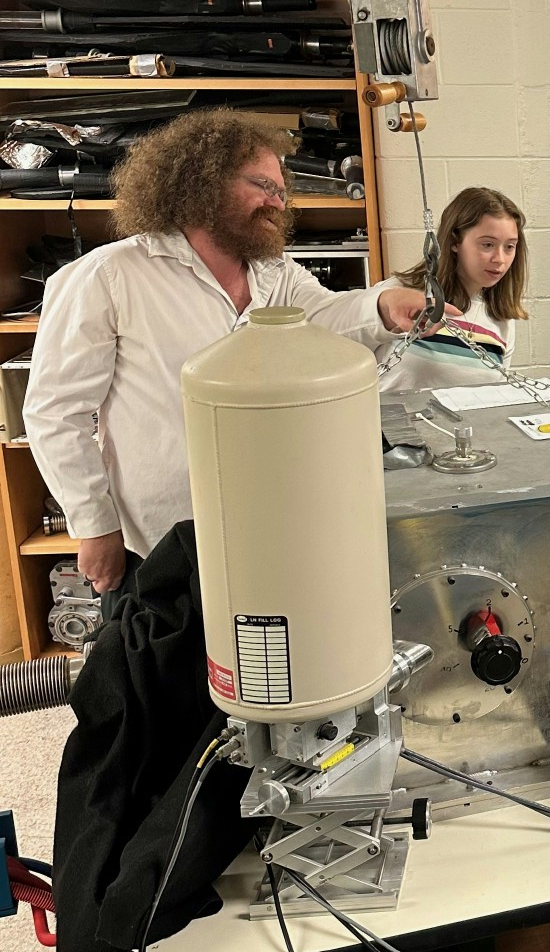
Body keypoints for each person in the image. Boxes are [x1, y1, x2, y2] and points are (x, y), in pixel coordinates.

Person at [26, 108, 440, 602]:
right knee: (172, 677)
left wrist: (383, 306)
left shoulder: (274, 273)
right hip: (162, 546)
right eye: (262, 185)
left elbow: (326, 318)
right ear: (201, 183)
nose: (277, 202)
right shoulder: (110, 276)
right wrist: (95, 526)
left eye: (281, 191)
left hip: (264, 533)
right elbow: (55, 412)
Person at [376, 185, 529, 388]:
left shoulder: (501, 319)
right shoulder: (397, 297)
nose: (500, 259)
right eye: (487, 244)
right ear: (455, 242)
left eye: (509, 247)